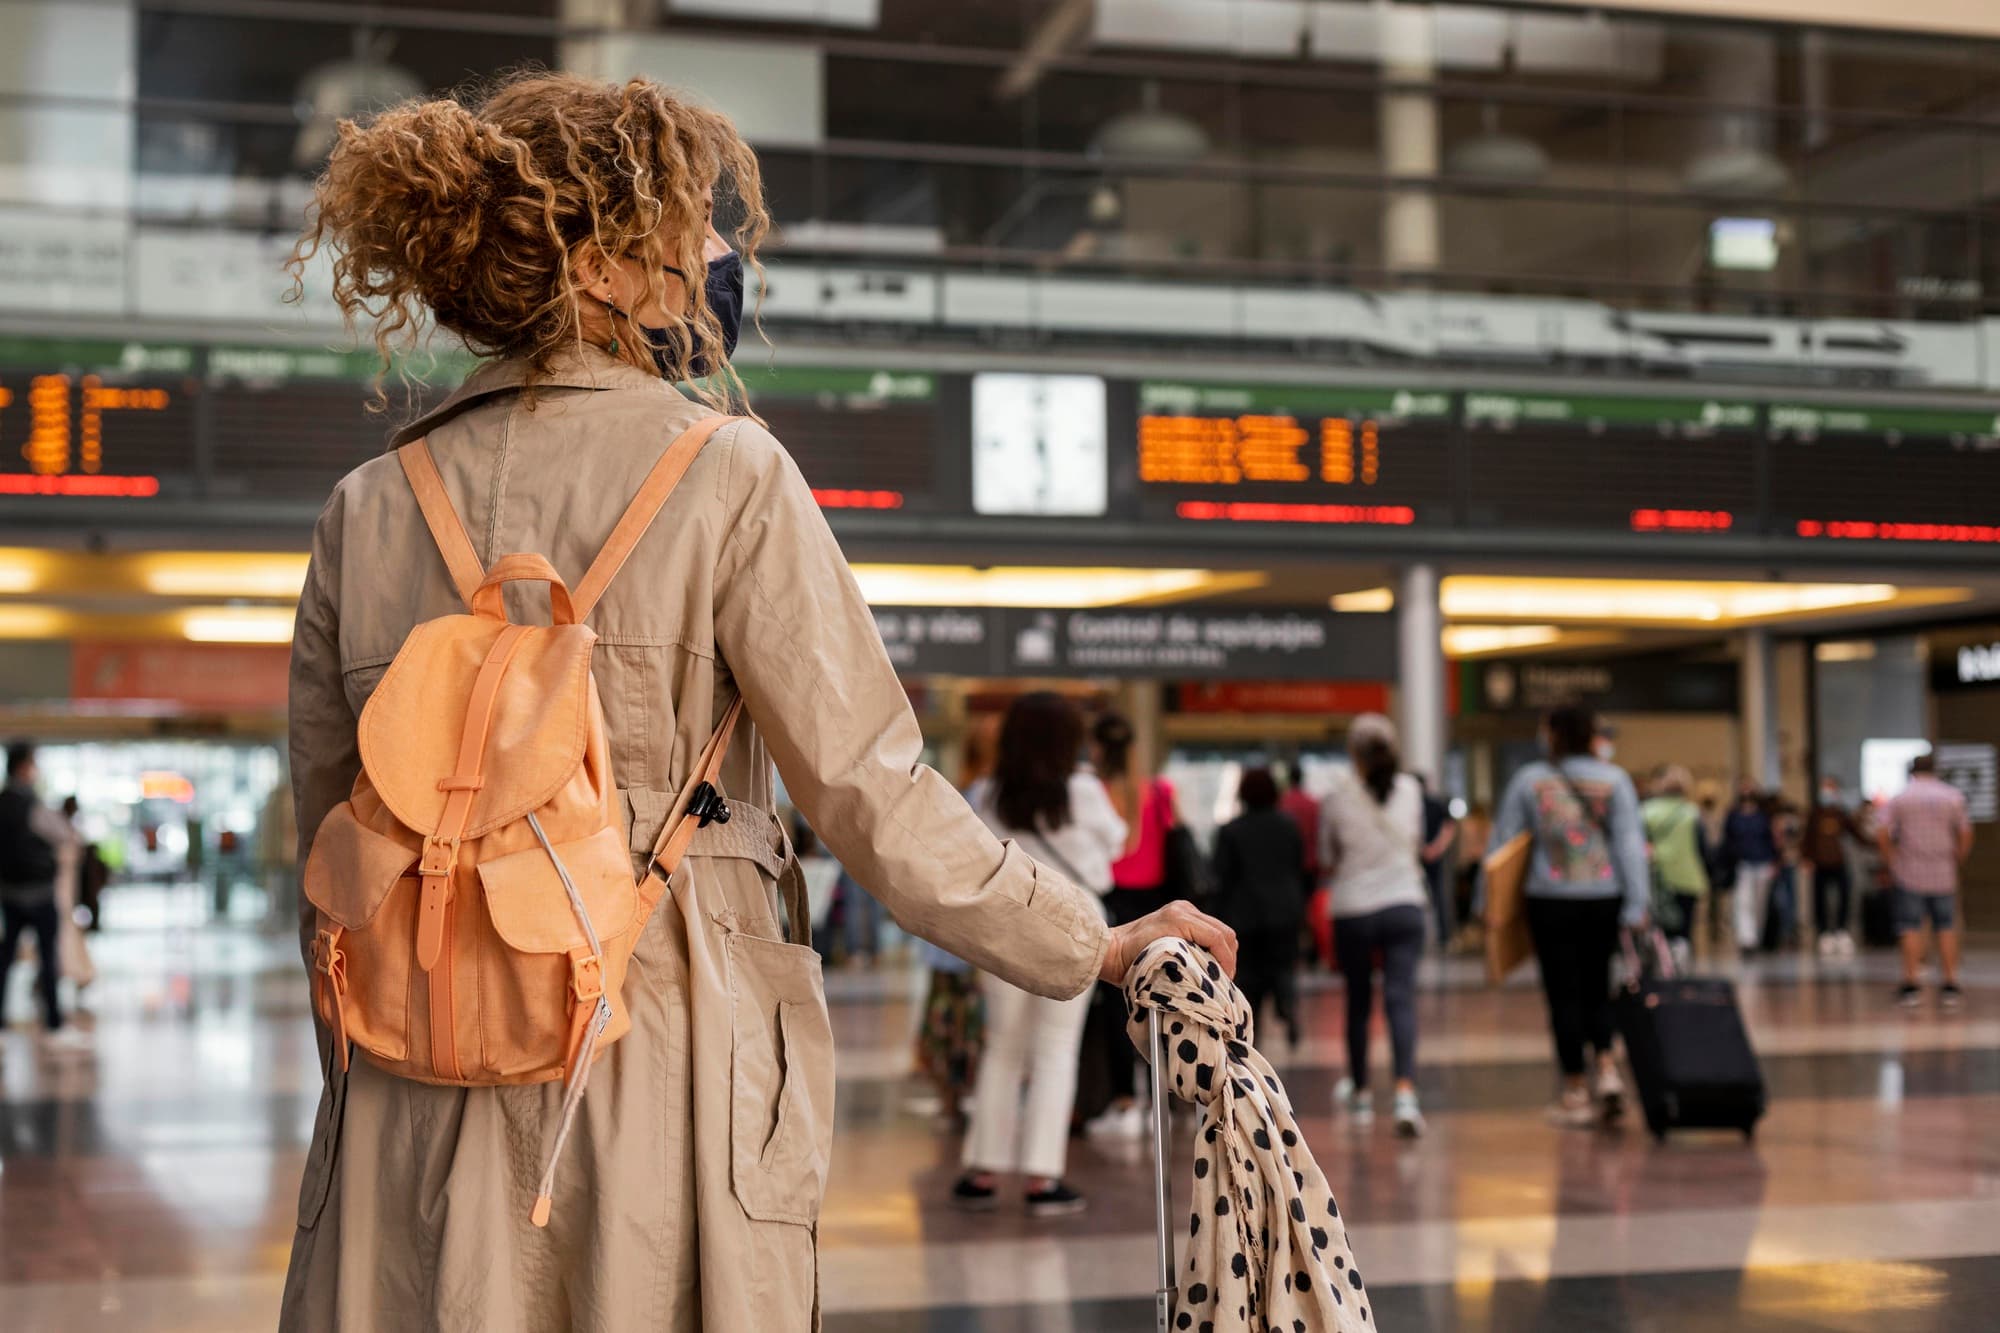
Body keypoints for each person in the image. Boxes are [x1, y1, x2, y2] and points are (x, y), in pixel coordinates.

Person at [280, 74, 1235, 1330]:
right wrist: (1086, 942)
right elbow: (867, 786)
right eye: (697, 228)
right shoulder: (722, 469)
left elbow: (324, 839)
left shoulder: (368, 504)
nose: (723, 257)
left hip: (411, 1062)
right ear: (609, 268)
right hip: (649, 1037)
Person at [954, 692, 1128, 1216]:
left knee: (1002, 1047)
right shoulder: (1083, 790)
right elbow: (1117, 845)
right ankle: (1041, 1179)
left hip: (1004, 924)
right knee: (1055, 1049)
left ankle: (981, 1172)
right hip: (1072, 924)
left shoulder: (990, 792)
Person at [1493, 705, 1649, 1128]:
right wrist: (1637, 904)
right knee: (1599, 984)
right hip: (1604, 895)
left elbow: (1503, 846)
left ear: (1554, 734)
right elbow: (1630, 844)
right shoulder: (1614, 780)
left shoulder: (1530, 780)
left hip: (1550, 898)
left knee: (1562, 991)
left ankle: (1576, 1087)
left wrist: (1488, 909)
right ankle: (1609, 1069)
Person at [1319, 714, 1430, 1137]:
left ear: (1354, 754)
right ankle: (1405, 1093)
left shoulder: (1337, 798)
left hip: (1354, 909)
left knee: (1359, 1002)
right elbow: (1415, 842)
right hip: (1404, 904)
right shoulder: (1411, 791)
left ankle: (1362, 1093)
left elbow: (1328, 855)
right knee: (1400, 998)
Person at [1080, 710, 1173, 1138]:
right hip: (1155, 906)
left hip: (1111, 905)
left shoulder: (1093, 793)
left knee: (1114, 1010)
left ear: (1097, 748)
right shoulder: (1158, 791)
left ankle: (1123, 1101)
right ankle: (1162, 1100)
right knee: (1157, 1000)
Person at [1210, 767, 1310, 1050]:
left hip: (1245, 915)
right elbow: (1299, 867)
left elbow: (1221, 876)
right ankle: (1287, 1003)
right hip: (1285, 911)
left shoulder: (1230, 831)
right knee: (1282, 968)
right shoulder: (1289, 826)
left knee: (1249, 980)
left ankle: (1251, 1037)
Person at [0, 742, 88, 1051]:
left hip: (8, 893)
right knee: (47, 959)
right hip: (38, 893)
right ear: (24, 766)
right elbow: (66, 835)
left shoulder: (2, 802)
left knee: (5, 960)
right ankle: (54, 1025)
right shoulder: (31, 804)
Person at [1878, 751, 1972, 1009]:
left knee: (1909, 925)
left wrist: (1892, 860)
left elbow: (1883, 833)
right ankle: (1950, 982)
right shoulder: (1952, 797)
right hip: (1944, 873)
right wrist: (1957, 858)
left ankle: (1911, 982)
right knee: (1946, 925)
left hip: (1909, 872)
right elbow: (1965, 832)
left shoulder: (1901, 798)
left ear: (1912, 771)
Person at [1641, 766, 1710, 964]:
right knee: (1684, 928)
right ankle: (1680, 962)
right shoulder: (1691, 813)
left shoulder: (1646, 811)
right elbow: (1702, 847)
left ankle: (1659, 961)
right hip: (1686, 877)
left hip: (1655, 876)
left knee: (1658, 925)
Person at [1805, 777, 1862, 956]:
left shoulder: (1841, 813)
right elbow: (1807, 839)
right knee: (1820, 899)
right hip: (1820, 864)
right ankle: (1824, 932)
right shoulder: (1815, 814)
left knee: (1844, 896)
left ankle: (1841, 930)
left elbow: (1856, 833)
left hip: (1839, 862)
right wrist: (1807, 858)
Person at [1723, 782, 1779, 953]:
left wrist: (1774, 861)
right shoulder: (1733, 816)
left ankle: (1757, 938)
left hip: (1763, 864)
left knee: (1759, 904)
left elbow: (1771, 840)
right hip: (1743, 864)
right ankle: (1747, 939)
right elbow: (1728, 841)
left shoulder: (1763, 816)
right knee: (1743, 902)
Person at [1416, 773, 1459, 946]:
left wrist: (1437, 848)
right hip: (1417, 855)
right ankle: (1418, 937)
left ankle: (1444, 936)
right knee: (1415, 899)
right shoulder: (1409, 806)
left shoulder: (1435, 804)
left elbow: (1449, 825)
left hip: (1433, 856)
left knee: (1438, 896)